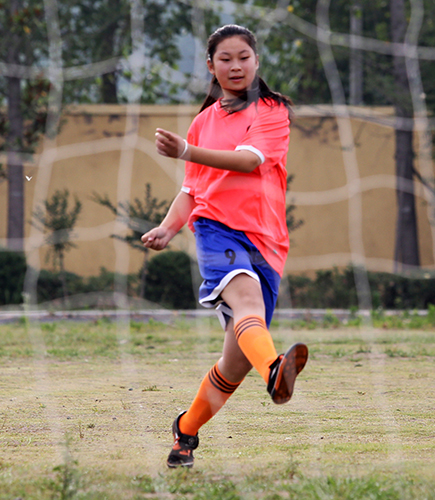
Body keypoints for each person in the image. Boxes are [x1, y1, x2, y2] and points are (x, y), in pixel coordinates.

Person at [142, 24, 307, 468]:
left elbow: (248, 160)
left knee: (233, 365)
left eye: (244, 57)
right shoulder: (202, 121)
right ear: (212, 67)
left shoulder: (272, 111)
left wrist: (186, 151)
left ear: (256, 63)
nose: (235, 66)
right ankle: (275, 368)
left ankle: (186, 431)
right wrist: (168, 227)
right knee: (247, 301)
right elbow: (194, 192)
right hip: (216, 230)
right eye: (225, 59)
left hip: (267, 243)